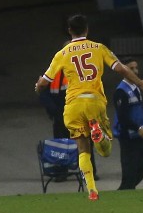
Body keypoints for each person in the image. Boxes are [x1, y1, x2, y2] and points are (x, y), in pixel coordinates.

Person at [34, 14, 143, 201]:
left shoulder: (62, 54)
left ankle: (92, 190)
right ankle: (99, 136)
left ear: (70, 31)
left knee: (82, 149)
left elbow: (44, 82)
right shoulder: (99, 48)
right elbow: (122, 69)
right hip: (94, 101)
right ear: (87, 29)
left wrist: (37, 86)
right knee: (105, 151)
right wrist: (140, 83)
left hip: (73, 105)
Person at [38, 41, 98, 181]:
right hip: (61, 115)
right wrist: (54, 110)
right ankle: (61, 172)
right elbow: (43, 92)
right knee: (61, 144)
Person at [112, 57, 143, 190]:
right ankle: (126, 191)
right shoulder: (121, 91)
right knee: (130, 172)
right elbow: (122, 117)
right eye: (131, 68)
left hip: (139, 134)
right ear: (123, 71)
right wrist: (138, 128)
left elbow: (139, 112)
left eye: (136, 68)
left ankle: (126, 189)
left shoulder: (136, 88)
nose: (135, 71)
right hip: (127, 136)